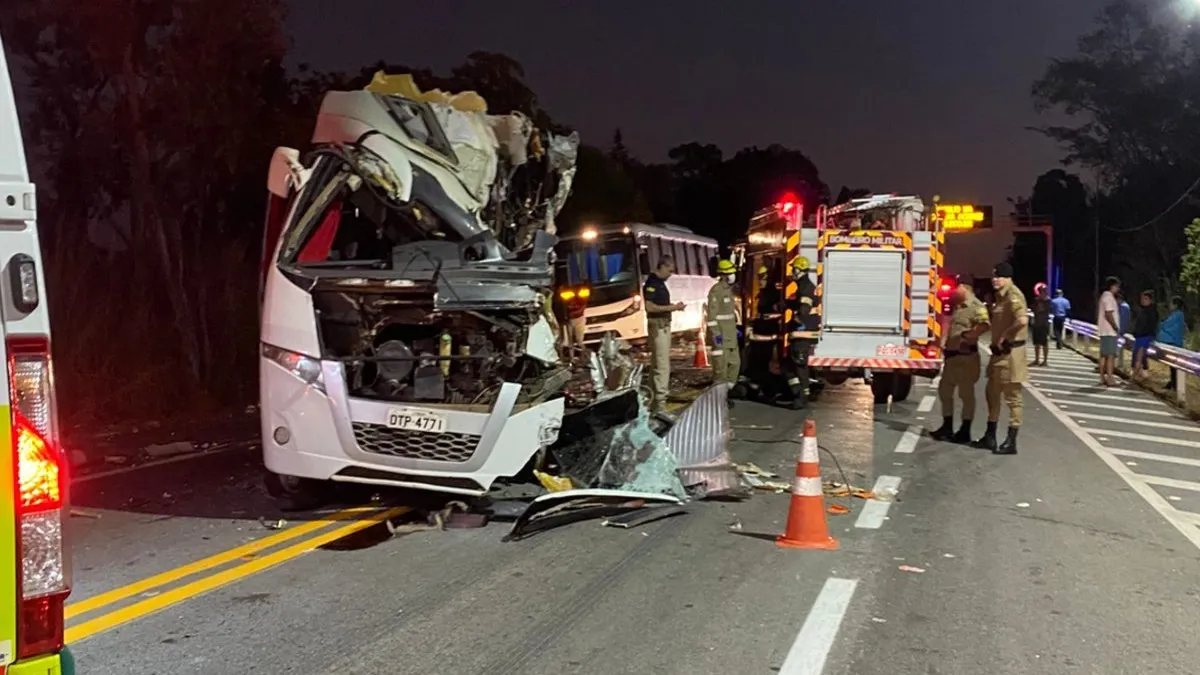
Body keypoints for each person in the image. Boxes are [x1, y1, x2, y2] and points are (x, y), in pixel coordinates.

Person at [973, 262, 1028, 455]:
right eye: (994, 276)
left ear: (1007, 277)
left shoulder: (1013, 295)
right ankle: (990, 436)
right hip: (997, 356)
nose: (994, 280)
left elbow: (1022, 320)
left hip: (1010, 355)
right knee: (992, 395)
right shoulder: (1000, 297)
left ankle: (1011, 441)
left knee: (1013, 398)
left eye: (998, 276)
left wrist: (1006, 335)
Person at [931, 284, 990, 443]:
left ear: (965, 288)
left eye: (956, 289)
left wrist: (968, 336)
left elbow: (984, 324)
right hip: (952, 357)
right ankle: (947, 426)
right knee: (945, 391)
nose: (954, 292)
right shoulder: (958, 306)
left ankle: (965, 430)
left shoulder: (976, 306)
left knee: (966, 394)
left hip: (966, 357)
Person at [643, 256, 685, 413]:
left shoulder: (659, 283)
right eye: (670, 270)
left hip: (662, 326)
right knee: (662, 366)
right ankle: (660, 403)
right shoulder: (652, 283)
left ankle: (652, 401)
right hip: (658, 327)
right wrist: (672, 308)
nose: (670, 274)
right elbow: (649, 306)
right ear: (662, 266)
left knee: (657, 364)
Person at [781, 257, 819, 409]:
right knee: (789, 366)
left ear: (800, 270)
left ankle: (802, 397)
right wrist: (788, 304)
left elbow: (804, 309)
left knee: (799, 367)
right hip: (800, 335)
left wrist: (795, 320)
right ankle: (799, 393)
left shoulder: (805, 288)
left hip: (802, 335)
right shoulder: (803, 286)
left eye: (794, 269)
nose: (792, 272)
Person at [706, 260, 742, 396]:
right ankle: (718, 397)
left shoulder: (729, 291)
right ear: (723, 275)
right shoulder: (716, 291)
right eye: (730, 273)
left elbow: (728, 315)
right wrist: (717, 337)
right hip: (721, 338)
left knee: (735, 364)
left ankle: (727, 392)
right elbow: (711, 318)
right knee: (720, 370)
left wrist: (735, 330)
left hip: (731, 337)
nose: (732, 275)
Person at [1097, 277, 1121, 387]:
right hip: (1109, 331)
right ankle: (1110, 378)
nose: (1118, 289)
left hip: (1104, 330)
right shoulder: (1109, 297)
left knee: (1103, 355)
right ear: (1112, 286)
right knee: (1110, 355)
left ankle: (1103, 377)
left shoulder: (1104, 296)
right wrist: (1115, 326)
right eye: (1117, 286)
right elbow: (1108, 313)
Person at [1158, 296, 1186, 390]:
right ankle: (1173, 383)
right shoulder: (1178, 315)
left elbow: (1166, 325)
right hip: (1176, 342)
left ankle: (1174, 384)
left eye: (1171, 303)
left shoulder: (1177, 315)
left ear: (1176, 305)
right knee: (1172, 365)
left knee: (1174, 365)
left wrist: (1159, 325)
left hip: (1174, 343)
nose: (1170, 305)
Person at [1130, 290, 1157, 381]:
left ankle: (1133, 377)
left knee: (1139, 357)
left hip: (1144, 337)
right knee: (1138, 356)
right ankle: (1138, 374)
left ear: (1150, 300)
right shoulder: (1143, 311)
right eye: (1142, 298)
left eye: (1145, 299)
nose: (1143, 300)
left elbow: (1149, 326)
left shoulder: (1151, 312)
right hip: (1140, 337)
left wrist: (1140, 333)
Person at [1031, 285, 1051, 366]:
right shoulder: (1036, 300)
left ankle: (1045, 360)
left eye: (1043, 291)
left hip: (1044, 324)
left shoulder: (1048, 301)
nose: (1042, 293)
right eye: (1041, 291)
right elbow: (1033, 309)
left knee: (1045, 343)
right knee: (1036, 343)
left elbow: (1047, 310)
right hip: (1037, 324)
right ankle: (1037, 360)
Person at [1116, 291, 1132, 370]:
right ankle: (1118, 365)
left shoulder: (1123, 307)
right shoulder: (1124, 306)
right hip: (1122, 331)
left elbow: (1123, 321)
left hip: (1121, 332)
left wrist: (1119, 331)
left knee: (1118, 349)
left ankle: (1118, 365)